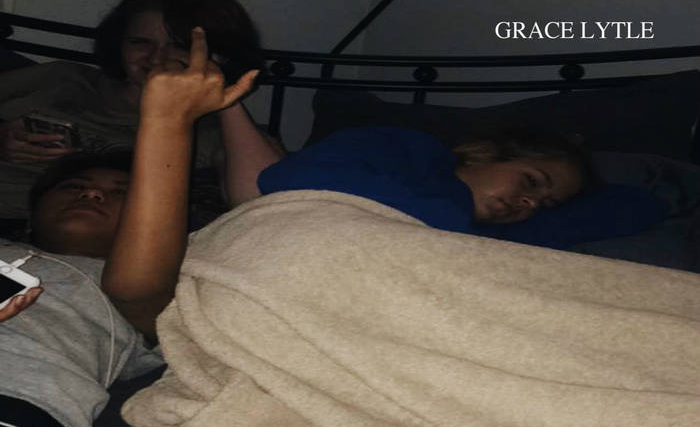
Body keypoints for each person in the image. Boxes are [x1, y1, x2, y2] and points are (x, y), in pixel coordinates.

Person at [0, 28, 261, 427]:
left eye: (121, 193)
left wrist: (167, 120)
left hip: (12, 406)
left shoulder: (139, 287)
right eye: (73, 185)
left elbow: (138, 284)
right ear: (32, 214)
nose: (91, 192)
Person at [0, 0, 283, 223]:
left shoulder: (217, 131)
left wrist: (225, 94)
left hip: (91, 245)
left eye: (180, 46)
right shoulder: (63, 79)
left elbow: (267, 201)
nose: (157, 58)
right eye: (140, 43)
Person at [257, 125, 667, 249]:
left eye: (543, 203)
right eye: (531, 181)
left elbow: (637, 205)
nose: (528, 202)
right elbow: (285, 178)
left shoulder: (512, 231)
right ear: (483, 154)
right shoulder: (408, 151)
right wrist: (449, 216)